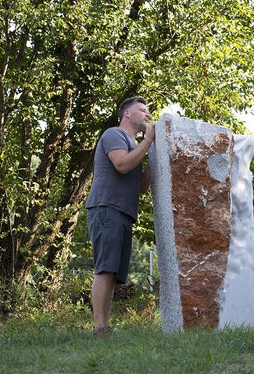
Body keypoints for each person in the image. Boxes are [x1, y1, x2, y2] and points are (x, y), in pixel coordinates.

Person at [85, 96, 155, 337]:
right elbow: (122, 165)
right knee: (105, 269)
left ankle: (104, 326)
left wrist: (151, 154)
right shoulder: (114, 134)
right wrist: (147, 141)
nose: (147, 115)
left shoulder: (137, 145)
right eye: (142, 110)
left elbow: (142, 187)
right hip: (107, 208)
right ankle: (99, 328)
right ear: (127, 114)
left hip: (124, 213)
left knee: (113, 274)